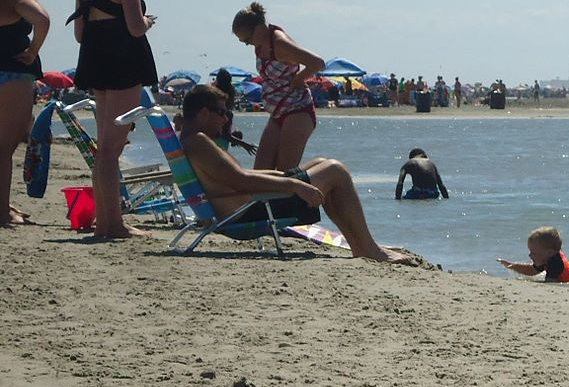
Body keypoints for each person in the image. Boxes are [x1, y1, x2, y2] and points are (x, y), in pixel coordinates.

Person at [180, 85, 420, 265]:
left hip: (248, 205)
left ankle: (361, 245)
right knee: (335, 170)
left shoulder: (193, 141)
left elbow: (238, 176)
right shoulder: (200, 142)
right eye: (221, 113)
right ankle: (370, 250)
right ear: (203, 113)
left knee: (321, 163)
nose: (225, 119)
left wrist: (283, 175)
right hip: (250, 211)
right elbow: (240, 180)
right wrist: (294, 185)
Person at [67, 0, 158, 238]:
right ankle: (114, 225)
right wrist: (148, 21)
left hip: (95, 59)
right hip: (122, 62)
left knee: (104, 146)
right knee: (111, 148)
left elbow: (80, 33)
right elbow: (134, 28)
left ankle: (105, 223)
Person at [231, 2, 323, 171]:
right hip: (277, 112)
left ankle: (322, 178)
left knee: (284, 172)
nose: (247, 44)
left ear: (258, 28)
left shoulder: (279, 44)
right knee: (261, 171)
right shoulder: (260, 44)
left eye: (247, 40)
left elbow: (317, 63)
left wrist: (299, 78)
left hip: (297, 109)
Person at [0, 0, 50, 227]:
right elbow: (41, 19)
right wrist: (33, 51)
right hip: (13, 73)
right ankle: (2, 213)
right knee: (4, 147)